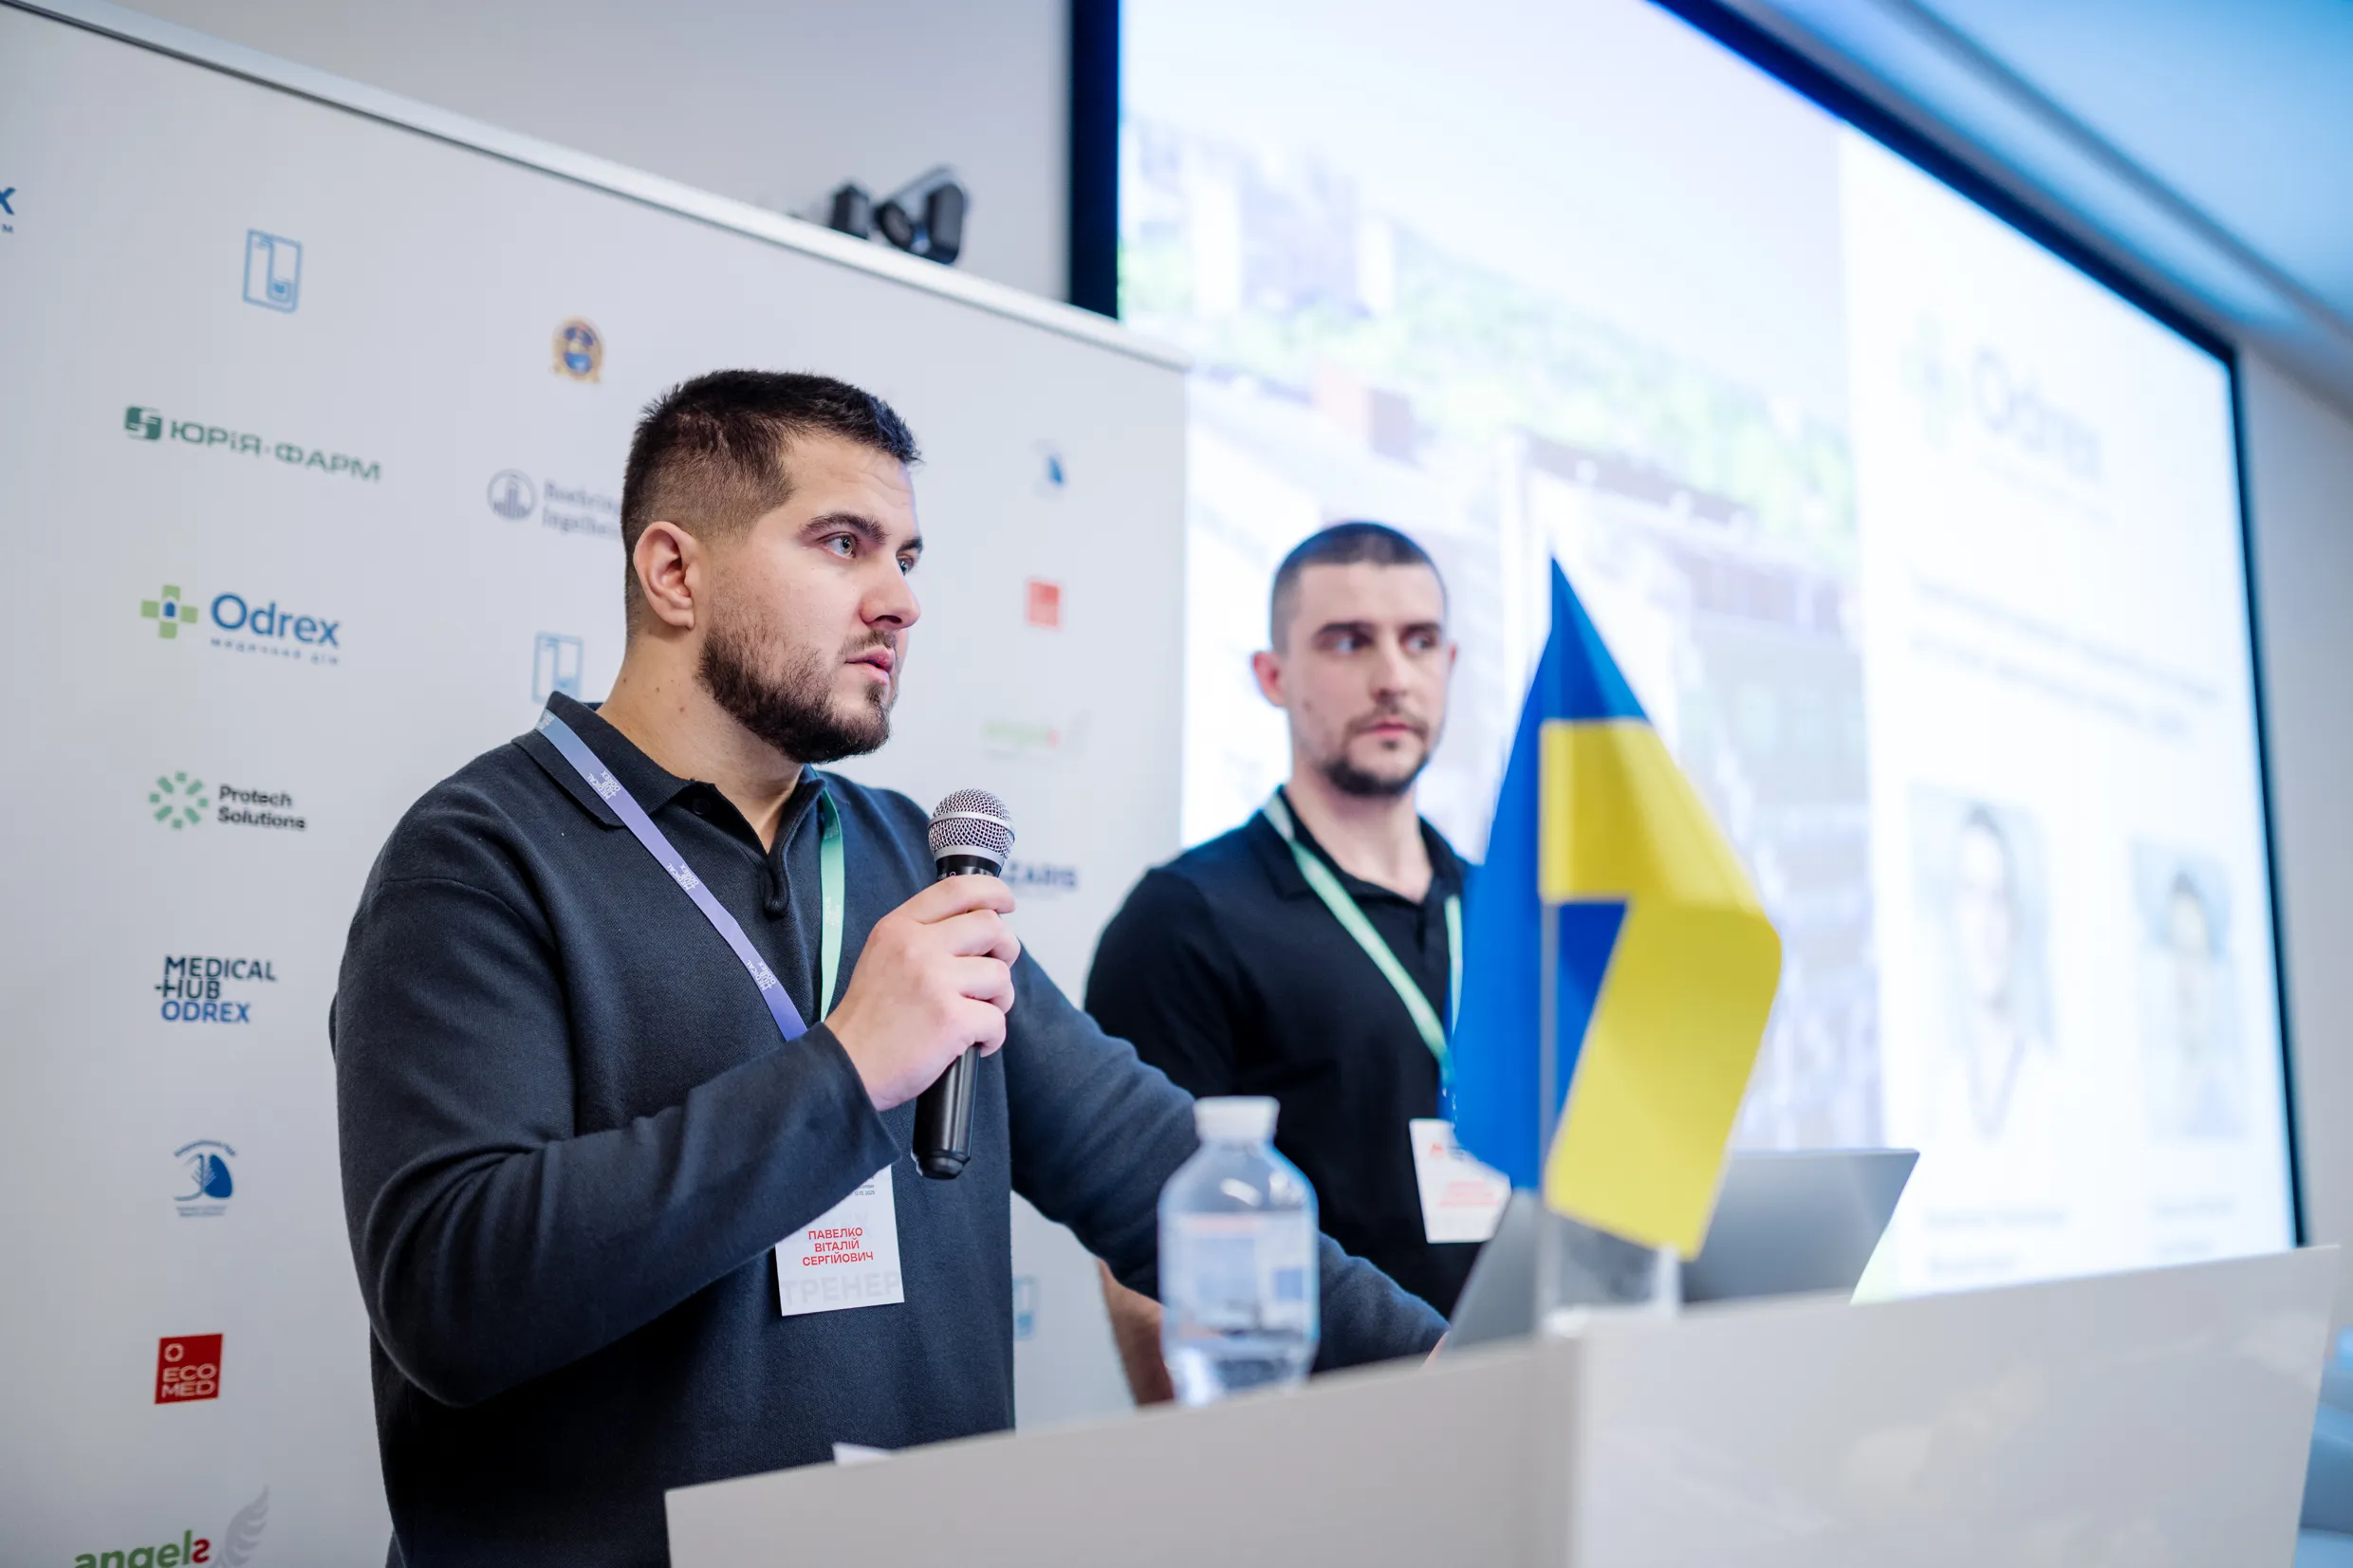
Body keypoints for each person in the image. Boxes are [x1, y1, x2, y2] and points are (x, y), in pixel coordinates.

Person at [330, 373, 1444, 1567]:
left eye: (907, 558)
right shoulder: (482, 856)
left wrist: (1458, 1363)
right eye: (842, 543)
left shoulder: (911, 857)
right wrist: (849, 1068)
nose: (900, 600)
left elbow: (1147, 1166)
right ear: (674, 573)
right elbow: (451, 1295)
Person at [1085, 522, 1486, 1319]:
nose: (1393, 679)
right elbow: (1145, 1261)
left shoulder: (1506, 915)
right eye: (1349, 642)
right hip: (1320, 1395)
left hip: (1531, 1378)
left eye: (1419, 642)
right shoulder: (1186, 918)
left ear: (1449, 662)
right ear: (1272, 675)